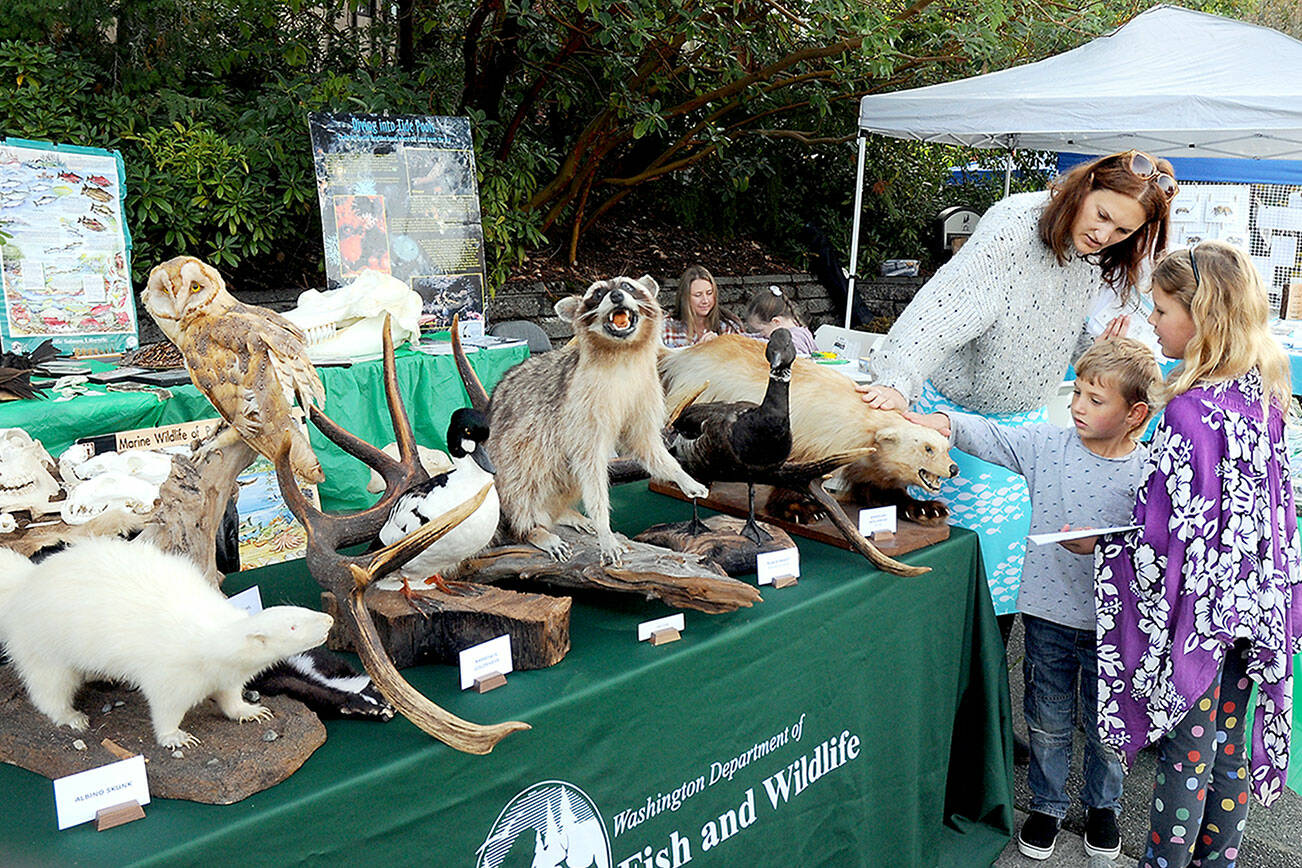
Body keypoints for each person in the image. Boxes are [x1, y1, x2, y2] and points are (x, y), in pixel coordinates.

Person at [858, 151, 1176, 625]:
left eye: (1123, 232)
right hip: (949, 420)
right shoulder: (1012, 225)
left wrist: (1097, 352)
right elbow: (943, 308)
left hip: (1022, 434)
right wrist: (897, 378)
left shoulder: (1088, 255)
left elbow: (1051, 330)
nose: (1104, 236)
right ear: (1083, 187)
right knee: (936, 580)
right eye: (1102, 215)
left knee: (1002, 589)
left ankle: (987, 695)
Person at [1087, 242, 1302, 868]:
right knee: (1230, 751)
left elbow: (1162, 536)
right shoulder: (1268, 399)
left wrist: (1103, 548)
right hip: (1255, 609)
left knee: (1187, 755)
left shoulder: (1185, 410)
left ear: (1200, 314)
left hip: (1200, 619)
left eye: (1159, 310)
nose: (1152, 322)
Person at [908, 337, 1162, 861]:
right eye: (1078, 392)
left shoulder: (1150, 472)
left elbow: (1156, 544)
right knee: (1046, 718)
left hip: (1114, 627)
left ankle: (1103, 808)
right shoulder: (1049, 445)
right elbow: (997, 436)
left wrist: (1103, 544)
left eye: (1096, 399)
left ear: (1135, 414)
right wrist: (948, 426)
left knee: (1105, 723)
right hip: (1046, 615)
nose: (1078, 405)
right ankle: (1046, 805)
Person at [662, 264, 744, 348]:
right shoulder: (666, 327)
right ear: (685, 298)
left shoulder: (728, 327)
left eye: (709, 293)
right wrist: (697, 350)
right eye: (698, 295)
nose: (705, 300)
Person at [743, 285, 818, 354]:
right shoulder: (797, 330)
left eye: (761, 330)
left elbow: (776, 348)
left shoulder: (795, 339)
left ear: (776, 322)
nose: (761, 334)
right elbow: (756, 337)